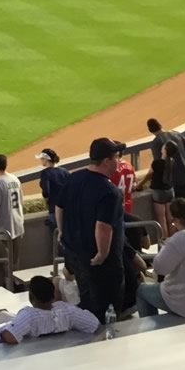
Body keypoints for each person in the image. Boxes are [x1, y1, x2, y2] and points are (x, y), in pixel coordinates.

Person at [56, 137, 125, 322]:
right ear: (106, 161)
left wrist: (62, 232)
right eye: (116, 157)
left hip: (76, 254)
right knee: (105, 309)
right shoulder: (109, 191)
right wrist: (102, 253)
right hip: (99, 263)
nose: (119, 161)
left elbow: (59, 206)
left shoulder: (73, 178)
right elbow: (103, 226)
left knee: (86, 301)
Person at [0, 275, 99, 344]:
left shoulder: (29, 316)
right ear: (53, 295)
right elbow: (93, 324)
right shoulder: (67, 310)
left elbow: (9, 336)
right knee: (5, 316)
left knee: (0, 317)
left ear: (32, 297)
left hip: (33, 353)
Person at [0, 154, 24, 288]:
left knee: (6, 261)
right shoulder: (15, 178)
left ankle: (11, 285)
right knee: (15, 260)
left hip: (2, 228)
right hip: (18, 224)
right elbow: (21, 201)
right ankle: (18, 283)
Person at [36, 148, 70, 258]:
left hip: (54, 212)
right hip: (68, 210)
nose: (41, 161)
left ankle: (60, 265)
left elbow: (46, 192)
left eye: (42, 159)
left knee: (58, 239)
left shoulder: (45, 173)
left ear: (46, 159)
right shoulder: (64, 171)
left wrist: (48, 203)